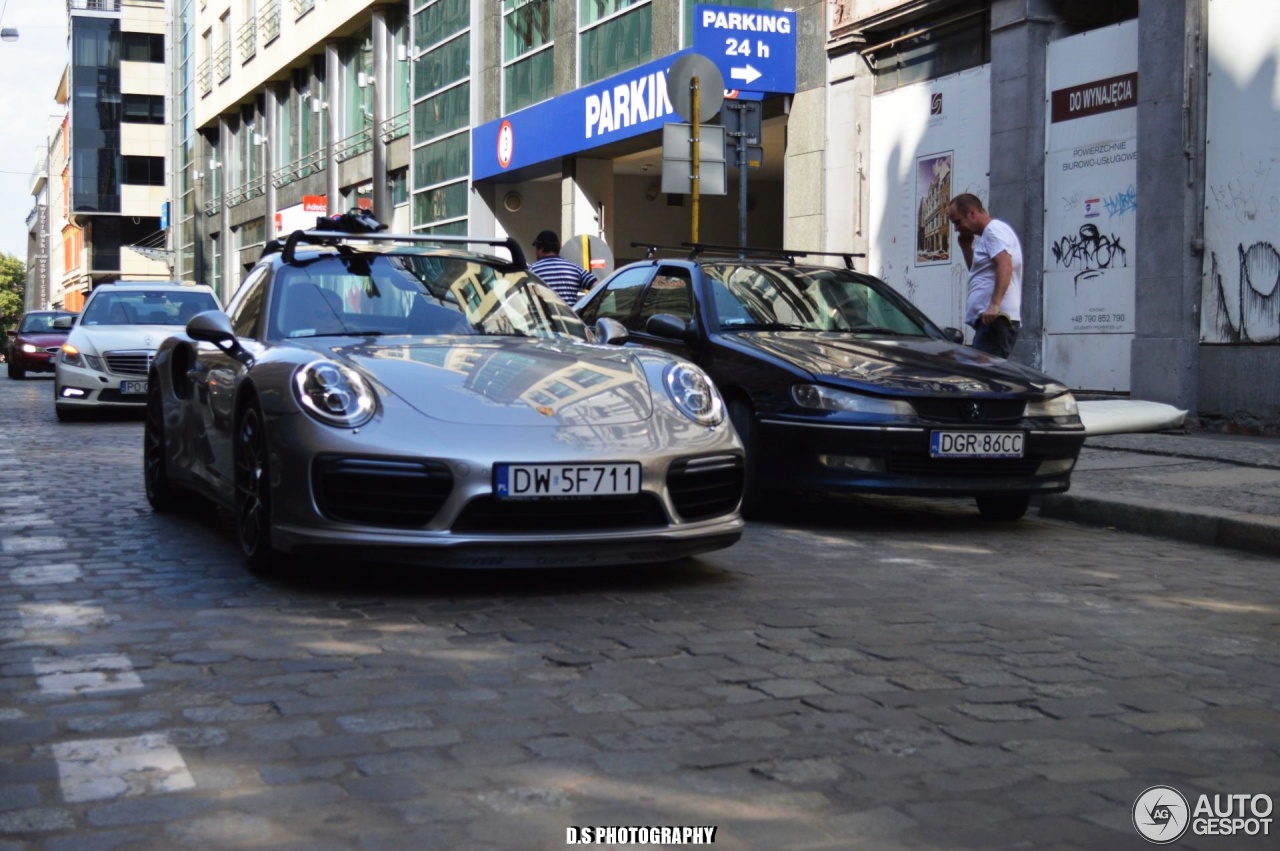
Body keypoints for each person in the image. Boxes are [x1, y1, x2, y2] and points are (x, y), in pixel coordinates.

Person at [948, 193, 1023, 358]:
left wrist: (995, 305)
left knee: (984, 377)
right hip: (991, 321)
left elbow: (1005, 264)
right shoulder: (989, 235)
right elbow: (977, 272)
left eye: (958, 222)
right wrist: (966, 247)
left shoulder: (993, 231)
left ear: (972, 213)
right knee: (985, 375)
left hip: (996, 320)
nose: (956, 229)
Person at [528, 230, 597, 304]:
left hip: (544, 315)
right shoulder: (574, 268)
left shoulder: (531, 271)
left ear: (540, 248)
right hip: (569, 315)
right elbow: (596, 285)